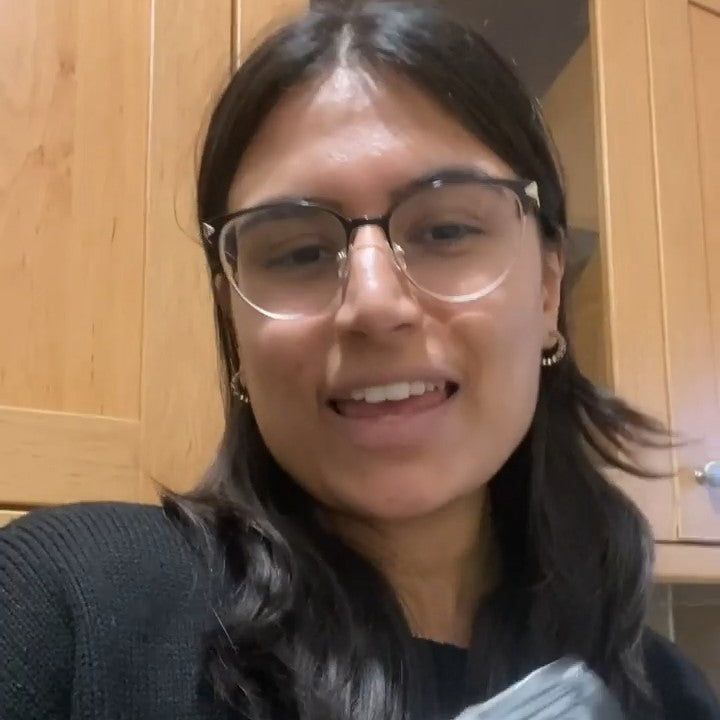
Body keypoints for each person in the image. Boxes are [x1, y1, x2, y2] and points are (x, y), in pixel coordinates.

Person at [1, 2, 718, 719]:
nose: (373, 304)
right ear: (234, 319)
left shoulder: (669, 694)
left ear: (547, 289)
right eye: (302, 252)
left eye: (446, 230)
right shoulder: (65, 609)